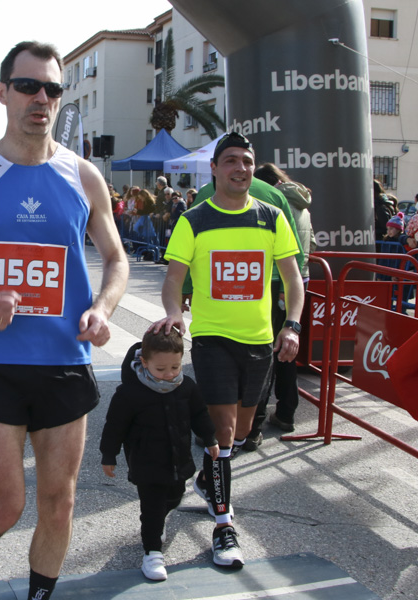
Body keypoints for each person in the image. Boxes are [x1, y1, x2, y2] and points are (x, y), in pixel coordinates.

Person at [0, 41, 128, 600]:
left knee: (60, 503)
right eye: (29, 86)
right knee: (5, 505)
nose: (42, 98)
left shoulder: (83, 176)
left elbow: (116, 257)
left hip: (65, 359)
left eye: (52, 89)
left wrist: (102, 308)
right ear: (3, 92)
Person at [152, 131, 303, 569]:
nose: (241, 168)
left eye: (248, 162)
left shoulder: (272, 216)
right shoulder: (194, 219)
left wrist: (291, 325)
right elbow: (173, 279)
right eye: (231, 160)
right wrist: (174, 314)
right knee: (222, 436)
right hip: (214, 339)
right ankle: (224, 527)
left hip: (259, 342)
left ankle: (207, 478)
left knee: (240, 433)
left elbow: (294, 280)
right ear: (215, 168)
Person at [99, 327, 217, 581]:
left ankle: (159, 521)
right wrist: (109, 455)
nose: (168, 375)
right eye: (160, 369)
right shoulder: (130, 393)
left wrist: (210, 439)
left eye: (174, 367)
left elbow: (200, 414)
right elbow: (114, 426)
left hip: (178, 461)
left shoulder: (186, 387)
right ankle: (152, 552)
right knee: (151, 509)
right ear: (144, 362)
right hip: (146, 464)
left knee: (174, 498)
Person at [251, 162, 313, 433]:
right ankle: (287, 412)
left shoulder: (272, 201)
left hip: (279, 281)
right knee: (286, 350)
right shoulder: (301, 199)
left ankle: (259, 416)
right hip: (301, 278)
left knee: (267, 350)